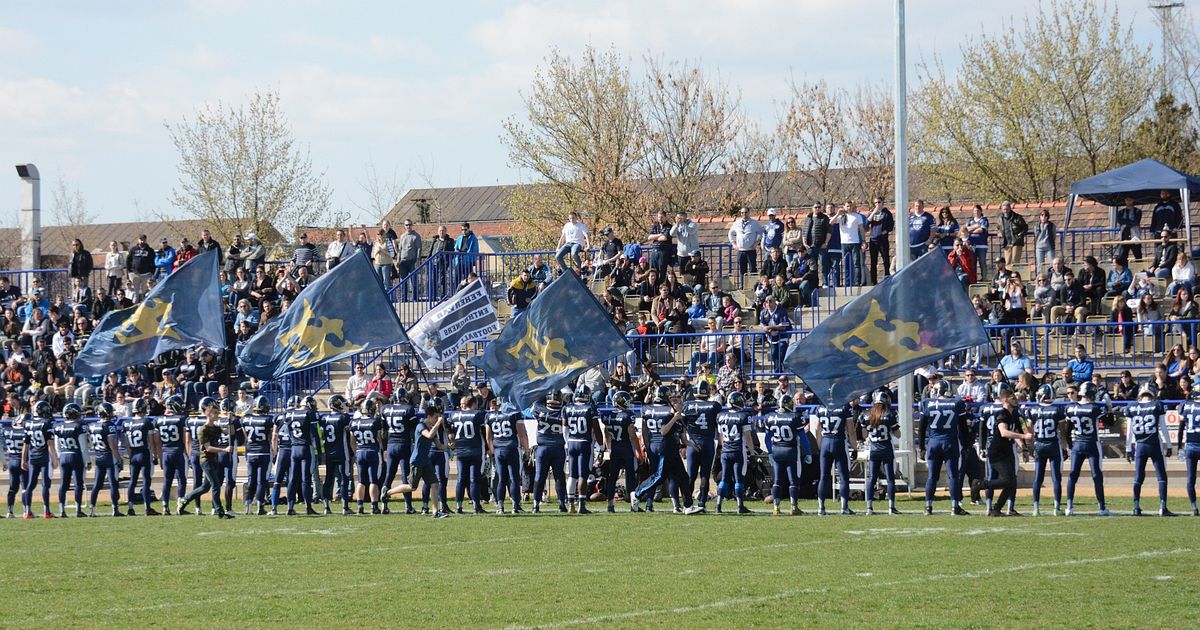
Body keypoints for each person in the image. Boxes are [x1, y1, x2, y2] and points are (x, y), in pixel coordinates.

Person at [970, 387, 1031, 517]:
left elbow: (1014, 432)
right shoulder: (1002, 413)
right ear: (1006, 400)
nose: (1016, 400)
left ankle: (997, 509)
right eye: (1013, 398)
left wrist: (1024, 447)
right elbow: (1004, 432)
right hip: (997, 452)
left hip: (1007, 450)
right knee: (1007, 480)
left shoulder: (1013, 414)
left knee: (1012, 482)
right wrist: (1024, 436)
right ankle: (980, 484)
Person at [634, 386, 692, 513]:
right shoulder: (669, 411)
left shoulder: (647, 408)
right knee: (661, 476)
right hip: (664, 446)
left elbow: (644, 429)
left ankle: (650, 504)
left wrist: (646, 445)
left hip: (653, 445)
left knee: (658, 475)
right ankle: (640, 494)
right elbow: (665, 430)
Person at [917, 380, 971, 515]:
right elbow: (963, 428)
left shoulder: (927, 403)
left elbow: (921, 429)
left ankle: (928, 507)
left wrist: (921, 447)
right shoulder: (956, 403)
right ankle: (955, 507)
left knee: (932, 476)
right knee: (953, 476)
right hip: (950, 442)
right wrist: (965, 446)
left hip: (933, 443)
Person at [178, 397, 234, 519]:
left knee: (205, 487)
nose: (218, 414)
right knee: (215, 485)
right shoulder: (203, 430)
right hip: (206, 460)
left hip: (214, 459)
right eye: (215, 412)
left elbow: (230, 432)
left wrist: (230, 421)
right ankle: (219, 511)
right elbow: (208, 448)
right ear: (209, 414)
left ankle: (185, 499)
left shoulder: (216, 427)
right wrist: (224, 450)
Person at [1124, 384, 1174, 516]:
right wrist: (1169, 445)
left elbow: (1129, 431)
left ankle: (1136, 507)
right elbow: (1163, 427)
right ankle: (1162, 507)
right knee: (1161, 476)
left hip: (1140, 445)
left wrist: (1128, 448)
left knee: (1138, 477)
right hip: (1154, 444)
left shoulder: (1132, 406)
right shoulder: (1157, 405)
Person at [1064, 382, 1111, 516]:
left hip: (1077, 444)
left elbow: (1067, 431)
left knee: (1073, 475)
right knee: (1096, 475)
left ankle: (1069, 506)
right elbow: (1111, 422)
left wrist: (1070, 445)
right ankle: (1101, 507)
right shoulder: (1095, 408)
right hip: (1092, 444)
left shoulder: (1071, 408)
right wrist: (1109, 407)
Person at [762, 392, 812, 516]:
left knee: (777, 480)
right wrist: (808, 452)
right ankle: (794, 506)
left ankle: (776, 507)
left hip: (777, 451)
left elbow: (767, 438)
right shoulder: (795, 417)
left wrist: (770, 452)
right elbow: (803, 438)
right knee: (793, 480)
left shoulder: (770, 417)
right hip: (790, 450)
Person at [812, 399, 858, 515]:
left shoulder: (820, 407)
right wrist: (855, 447)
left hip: (825, 442)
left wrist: (820, 445)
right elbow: (851, 431)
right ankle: (844, 507)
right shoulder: (845, 407)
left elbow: (817, 429)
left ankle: (821, 508)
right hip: (839, 442)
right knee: (843, 476)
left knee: (823, 477)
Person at [681, 381, 720, 514]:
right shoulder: (714, 405)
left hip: (693, 443)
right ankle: (702, 502)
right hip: (707, 443)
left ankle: (687, 504)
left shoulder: (687, 405)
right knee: (705, 475)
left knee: (691, 476)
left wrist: (683, 444)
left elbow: (682, 425)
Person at [1026, 384, 1066, 516]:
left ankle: (1036, 508)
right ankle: (1056, 508)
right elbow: (1062, 430)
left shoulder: (1033, 410)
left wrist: (1031, 443)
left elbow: (1029, 427)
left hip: (1039, 444)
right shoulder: (1057, 409)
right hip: (1053, 444)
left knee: (1038, 477)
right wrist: (1064, 446)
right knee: (1056, 478)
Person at [859, 389, 900, 515]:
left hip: (874, 449)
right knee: (890, 478)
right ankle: (891, 507)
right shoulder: (889, 415)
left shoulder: (866, 415)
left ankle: (869, 507)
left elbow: (864, 435)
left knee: (872, 478)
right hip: (886, 448)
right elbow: (898, 435)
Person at [562, 387, 601, 514]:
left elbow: (565, 427)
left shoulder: (567, 407)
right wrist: (601, 445)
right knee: (583, 475)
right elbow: (596, 428)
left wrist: (567, 442)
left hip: (571, 442)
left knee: (572, 475)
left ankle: (570, 504)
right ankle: (581, 505)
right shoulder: (590, 408)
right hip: (584, 442)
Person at [446, 395, 487, 514]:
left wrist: (451, 440)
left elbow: (450, 431)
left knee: (461, 479)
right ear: (474, 404)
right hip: (475, 450)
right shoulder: (478, 414)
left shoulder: (454, 415)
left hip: (460, 451)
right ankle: (476, 505)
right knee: (474, 479)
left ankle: (458, 506)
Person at [602, 391, 642, 513]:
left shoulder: (608, 416)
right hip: (626, 448)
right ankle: (634, 505)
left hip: (615, 448)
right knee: (630, 476)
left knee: (613, 477)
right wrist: (638, 451)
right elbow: (632, 437)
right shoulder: (627, 416)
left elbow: (606, 433)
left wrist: (609, 448)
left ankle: (610, 505)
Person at [485, 401, 528, 514]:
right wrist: (527, 449)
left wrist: (493, 452)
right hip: (512, 448)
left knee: (501, 479)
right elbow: (522, 435)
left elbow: (488, 437)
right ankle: (515, 506)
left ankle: (500, 507)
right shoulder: (514, 414)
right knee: (514, 478)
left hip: (498, 450)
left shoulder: (490, 416)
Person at [380, 389, 418, 514]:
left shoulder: (385, 409)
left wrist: (385, 447)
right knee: (405, 476)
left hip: (391, 444)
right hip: (403, 444)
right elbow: (414, 428)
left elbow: (383, 430)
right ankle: (408, 506)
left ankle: (384, 505)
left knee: (389, 475)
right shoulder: (408, 409)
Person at [531, 390, 568, 513]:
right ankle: (561, 503)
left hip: (542, 448)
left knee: (539, 476)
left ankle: (536, 505)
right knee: (559, 476)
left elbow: (536, 402)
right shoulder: (564, 411)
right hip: (558, 448)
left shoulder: (539, 409)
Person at [123, 398, 161, 516]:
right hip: (143, 453)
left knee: (132, 481)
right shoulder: (146, 422)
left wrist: (130, 455)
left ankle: (130, 508)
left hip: (133, 454)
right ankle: (147, 508)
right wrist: (155, 455)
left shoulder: (127, 423)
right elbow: (151, 441)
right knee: (146, 481)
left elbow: (127, 443)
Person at [283, 396, 319, 515]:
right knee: (306, 479)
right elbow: (314, 434)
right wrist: (318, 450)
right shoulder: (309, 413)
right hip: (305, 447)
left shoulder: (289, 413)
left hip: (294, 448)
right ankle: (308, 507)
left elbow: (287, 430)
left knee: (292, 479)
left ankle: (290, 507)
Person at [155, 396, 190, 516]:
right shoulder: (181, 419)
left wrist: (159, 456)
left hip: (165, 452)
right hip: (178, 452)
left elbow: (157, 441)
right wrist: (187, 454)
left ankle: (165, 506)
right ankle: (180, 506)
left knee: (167, 481)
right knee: (181, 480)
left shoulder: (158, 420)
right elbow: (185, 439)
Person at [50, 402, 87, 518]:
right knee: (78, 484)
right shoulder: (79, 426)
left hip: (63, 456)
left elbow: (57, 446)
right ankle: (78, 509)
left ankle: (62, 510)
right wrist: (88, 461)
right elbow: (83, 447)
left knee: (64, 484)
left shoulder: (58, 426)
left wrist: (59, 457)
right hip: (75, 455)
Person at [349, 397, 385, 514]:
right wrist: (382, 449)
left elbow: (352, 440)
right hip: (372, 451)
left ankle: (360, 506)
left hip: (360, 451)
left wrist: (356, 451)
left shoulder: (354, 422)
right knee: (373, 480)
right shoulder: (375, 422)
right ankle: (374, 506)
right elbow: (379, 438)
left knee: (361, 481)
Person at [241, 395, 275, 516]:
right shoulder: (268, 419)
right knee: (262, 480)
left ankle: (248, 505)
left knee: (251, 480)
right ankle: (260, 505)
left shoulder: (245, 419)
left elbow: (245, 437)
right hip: (264, 452)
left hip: (250, 452)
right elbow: (271, 436)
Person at [1176, 383, 1200, 516]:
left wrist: (1179, 445)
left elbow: (1180, 428)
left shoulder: (1185, 405)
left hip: (1190, 445)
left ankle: (1194, 507)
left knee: (1191, 478)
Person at [728, 207, 763, 281]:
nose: (744, 214)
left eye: (745, 212)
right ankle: (743, 286)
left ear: (749, 213)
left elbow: (761, 233)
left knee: (753, 269)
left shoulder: (754, 223)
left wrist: (756, 243)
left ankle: (753, 285)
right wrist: (733, 244)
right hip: (740, 251)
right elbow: (730, 233)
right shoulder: (737, 223)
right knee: (742, 270)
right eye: (742, 213)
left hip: (751, 250)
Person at [759, 295, 791, 373]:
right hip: (772, 337)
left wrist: (769, 327)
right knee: (773, 354)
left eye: (770, 301)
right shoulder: (763, 312)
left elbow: (783, 326)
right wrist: (769, 332)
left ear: (775, 302)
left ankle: (779, 372)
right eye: (767, 302)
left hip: (783, 336)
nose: (769, 304)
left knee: (781, 350)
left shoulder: (782, 311)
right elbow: (762, 326)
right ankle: (778, 372)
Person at [866, 197, 894, 284]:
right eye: (875, 203)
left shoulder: (887, 213)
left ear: (882, 202)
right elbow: (867, 223)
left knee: (885, 259)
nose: (877, 204)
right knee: (873, 261)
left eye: (879, 202)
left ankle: (887, 277)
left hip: (883, 240)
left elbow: (891, 226)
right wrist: (874, 212)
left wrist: (884, 231)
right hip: (873, 239)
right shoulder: (873, 213)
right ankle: (873, 281)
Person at [965, 204, 990, 281]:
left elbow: (981, 230)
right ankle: (974, 279)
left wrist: (971, 230)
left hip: (982, 245)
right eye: (975, 211)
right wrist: (976, 226)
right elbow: (965, 230)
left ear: (981, 211)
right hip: (972, 245)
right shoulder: (970, 220)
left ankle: (984, 278)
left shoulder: (984, 220)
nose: (976, 212)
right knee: (973, 263)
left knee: (982, 262)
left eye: (978, 211)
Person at [999, 201, 1028, 266]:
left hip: (1016, 241)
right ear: (1002, 209)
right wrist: (999, 232)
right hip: (1006, 242)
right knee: (1007, 263)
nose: (1005, 211)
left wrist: (1020, 235)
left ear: (1010, 208)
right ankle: (1008, 273)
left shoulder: (1017, 217)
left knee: (1015, 262)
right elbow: (998, 227)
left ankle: (1015, 273)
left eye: (1007, 209)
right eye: (1004, 209)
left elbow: (1025, 228)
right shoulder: (1000, 218)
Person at [1115, 196, 1143, 261]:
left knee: (1138, 255)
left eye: (1130, 200)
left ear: (1133, 200)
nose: (1128, 202)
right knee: (1123, 256)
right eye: (1127, 200)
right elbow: (1120, 221)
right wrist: (1129, 222)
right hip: (1124, 236)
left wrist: (1126, 222)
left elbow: (1136, 221)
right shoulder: (1121, 212)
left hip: (1134, 236)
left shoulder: (1137, 211)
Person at [645, 211, 673, 276]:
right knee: (653, 271)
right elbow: (649, 237)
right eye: (659, 217)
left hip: (664, 251)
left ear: (665, 218)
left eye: (662, 217)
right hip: (654, 251)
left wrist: (655, 237)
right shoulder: (655, 226)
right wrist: (660, 234)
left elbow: (664, 238)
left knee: (662, 272)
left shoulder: (669, 226)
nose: (660, 219)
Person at [1033, 208, 1055, 273]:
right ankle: (1039, 277)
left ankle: (1051, 276)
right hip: (1039, 247)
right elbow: (1036, 235)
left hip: (1049, 246)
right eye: (1042, 215)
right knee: (1040, 265)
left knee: (1052, 263)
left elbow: (1053, 235)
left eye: (1045, 215)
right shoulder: (1037, 225)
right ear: (1039, 216)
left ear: (1047, 217)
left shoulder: (1051, 225)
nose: (1043, 217)